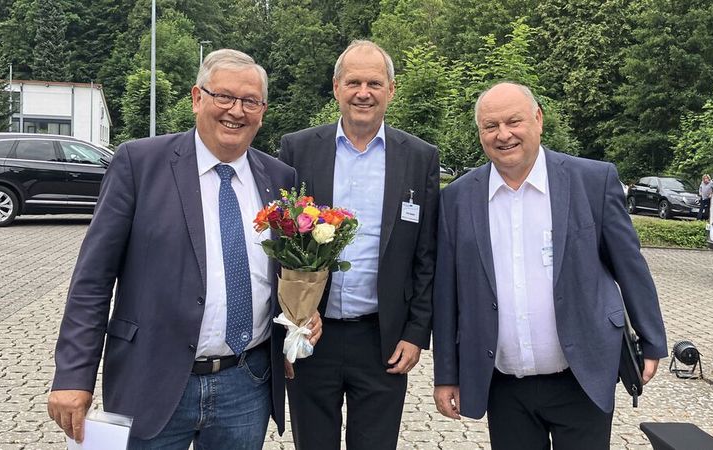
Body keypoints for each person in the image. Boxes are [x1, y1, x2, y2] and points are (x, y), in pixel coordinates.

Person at [47, 49, 321, 449]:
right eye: (223, 96)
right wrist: (73, 375)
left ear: (262, 111)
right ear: (197, 98)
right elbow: (93, 279)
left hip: (246, 382)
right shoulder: (139, 164)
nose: (236, 111)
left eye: (250, 101)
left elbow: (288, 273)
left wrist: (303, 317)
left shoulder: (280, 179)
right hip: (150, 378)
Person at [432, 82, 667, 450]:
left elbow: (630, 266)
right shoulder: (457, 199)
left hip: (582, 376)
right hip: (504, 385)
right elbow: (446, 294)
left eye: (514, 121)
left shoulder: (592, 180)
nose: (503, 134)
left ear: (538, 119)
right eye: (490, 126)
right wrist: (446, 374)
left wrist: (652, 339)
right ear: (480, 133)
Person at [278, 40, 439, 450]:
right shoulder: (298, 149)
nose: (363, 92)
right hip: (313, 336)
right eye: (353, 82)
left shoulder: (419, 157)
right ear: (336, 88)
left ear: (391, 90)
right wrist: (289, 319)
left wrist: (416, 333)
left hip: (383, 341)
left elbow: (427, 255)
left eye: (373, 82)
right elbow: (279, 242)